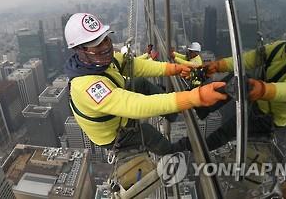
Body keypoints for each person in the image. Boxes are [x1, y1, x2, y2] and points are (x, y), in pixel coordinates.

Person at [64, 13, 228, 156]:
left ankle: (173, 113)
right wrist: (193, 97)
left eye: (105, 38)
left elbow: (137, 66)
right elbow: (136, 105)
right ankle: (172, 150)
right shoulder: (86, 87)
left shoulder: (99, 61)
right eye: (96, 43)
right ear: (79, 50)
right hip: (112, 134)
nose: (105, 45)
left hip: (116, 112)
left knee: (140, 83)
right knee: (148, 133)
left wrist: (174, 68)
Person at [173, 7, 286, 151]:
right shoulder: (279, 47)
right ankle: (202, 107)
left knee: (229, 128)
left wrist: (264, 89)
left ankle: (198, 148)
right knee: (239, 78)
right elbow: (248, 59)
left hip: (269, 119)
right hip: (259, 102)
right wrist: (218, 65)